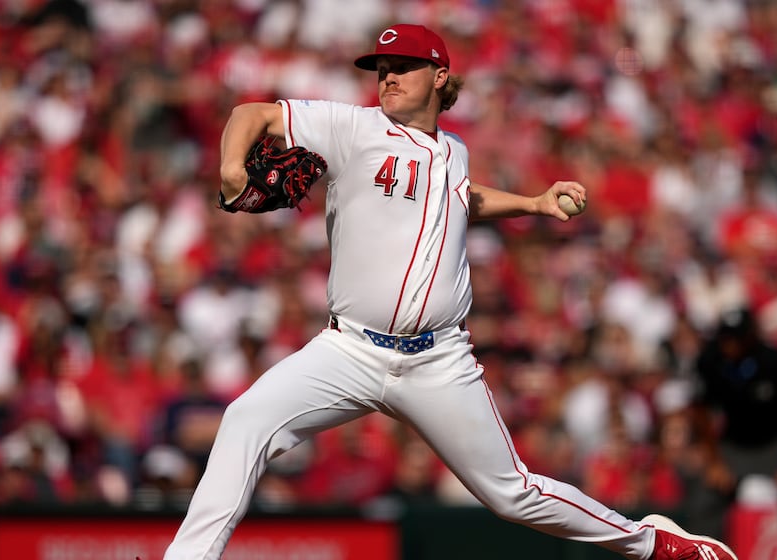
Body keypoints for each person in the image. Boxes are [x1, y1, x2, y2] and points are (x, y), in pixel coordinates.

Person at [162, 24, 737, 560]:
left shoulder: (453, 151)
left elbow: (460, 197)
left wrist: (533, 203)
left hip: (438, 361)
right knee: (244, 420)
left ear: (439, 77)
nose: (386, 77)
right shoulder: (355, 127)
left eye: (402, 67)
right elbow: (251, 112)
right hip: (350, 351)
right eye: (381, 67)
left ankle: (653, 544)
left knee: (512, 494)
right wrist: (233, 167)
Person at [688, 307, 777, 560]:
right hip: (734, 444)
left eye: (736, 338)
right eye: (725, 337)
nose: (729, 344)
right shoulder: (711, 360)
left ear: (750, 337)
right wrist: (714, 461)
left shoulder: (775, 362)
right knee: (705, 502)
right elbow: (700, 412)